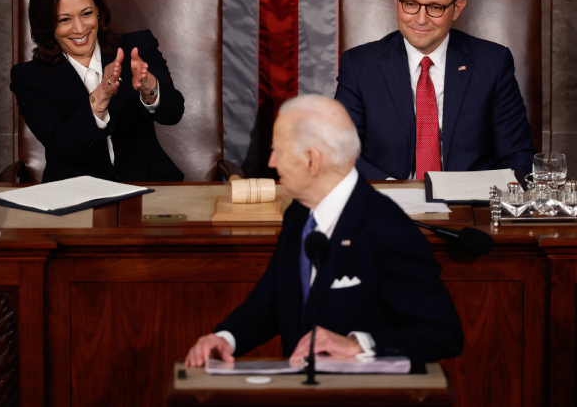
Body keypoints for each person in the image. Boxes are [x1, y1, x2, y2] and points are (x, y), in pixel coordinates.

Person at [185, 95, 463, 367]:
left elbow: (444, 334)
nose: (271, 162)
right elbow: (271, 300)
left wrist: (359, 344)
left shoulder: (388, 230)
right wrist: (226, 338)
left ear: (312, 160)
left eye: (278, 151)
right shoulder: (298, 213)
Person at [335, 0, 536, 180]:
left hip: (470, 207)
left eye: (436, 7)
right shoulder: (360, 65)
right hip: (387, 203)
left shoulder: (492, 63)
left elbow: (518, 155)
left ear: (457, 8)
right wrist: (395, 192)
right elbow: (339, 152)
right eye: (410, 4)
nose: (421, 19)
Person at [10, 0, 185, 183]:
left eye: (86, 13)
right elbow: (61, 143)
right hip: (75, 195)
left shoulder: (137, 47)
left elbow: (174, 113)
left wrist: (151, 89)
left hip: (149, 186)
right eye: (64, 19)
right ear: (47, 25)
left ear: (98, 11)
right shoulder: (29, 78)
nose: (80, 28)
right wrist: (100, 98)